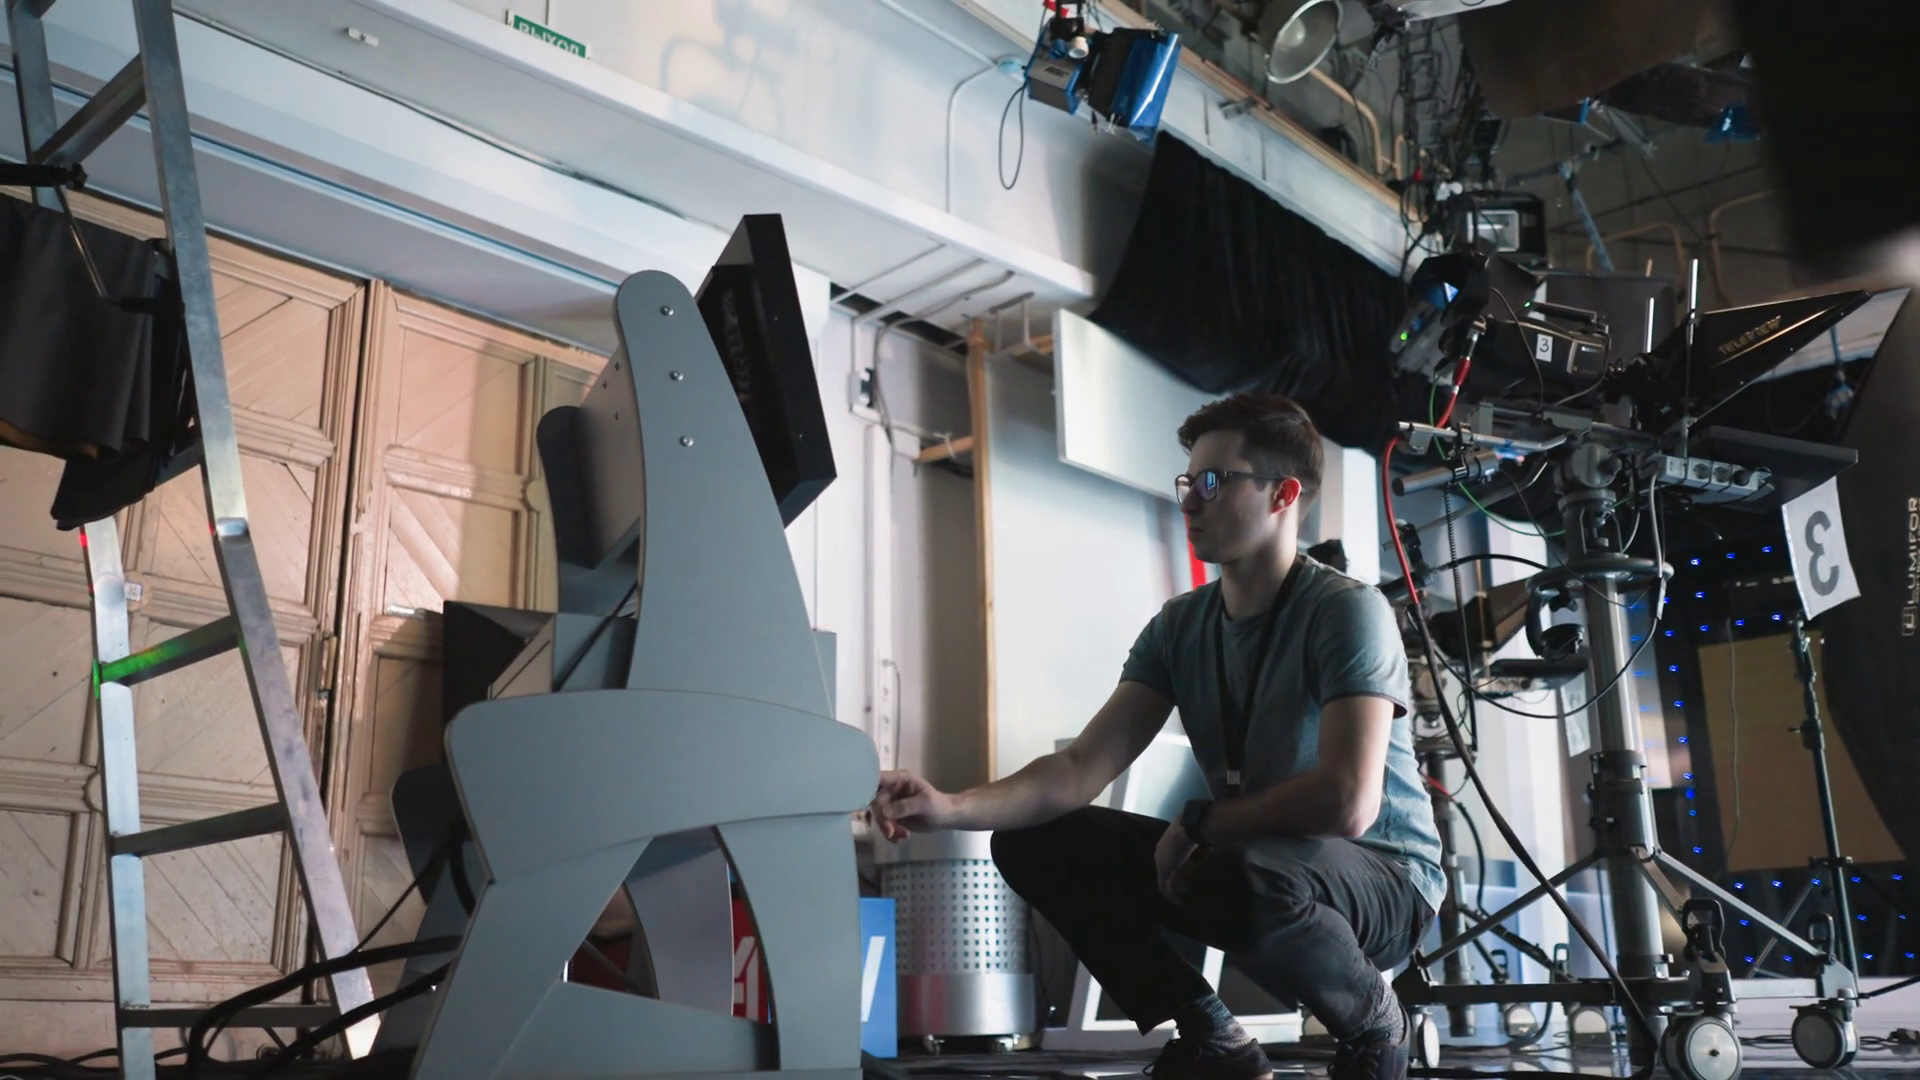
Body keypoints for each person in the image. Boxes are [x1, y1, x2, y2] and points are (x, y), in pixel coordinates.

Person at [870, 392, 1444, 1080]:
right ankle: (1213, 1034)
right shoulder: (1179, 627)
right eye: (1187, 482)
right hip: (1257, 866)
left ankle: (1378, 1021)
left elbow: (1349, 803)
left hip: (1386, 881)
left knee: (1238, 869)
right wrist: (950, 806)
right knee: (1034, 841)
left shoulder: (1346, 611)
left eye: (1214, 481)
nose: (1190, 501)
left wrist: (1203, 822)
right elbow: (1080, 766)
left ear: (1282, 494)